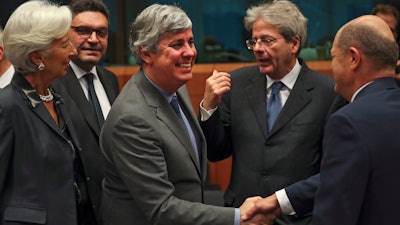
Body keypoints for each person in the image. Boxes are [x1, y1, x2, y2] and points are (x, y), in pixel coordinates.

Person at [100, 4, 270, 225]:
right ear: (146, 53)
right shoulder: (132, 119)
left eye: (190, 41)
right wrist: (238, 217)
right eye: (177, 44)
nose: (190, 52)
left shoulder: (176, 86)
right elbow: (161, 208)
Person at [243, 15, 400, 225]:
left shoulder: (349, 122)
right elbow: (351, 174)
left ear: (353, 58)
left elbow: (334, 213)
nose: (331, 66)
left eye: (334, 57)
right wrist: (281, 200)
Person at [199, 1, 345, 224]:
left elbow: (336, 169)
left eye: (267, 40)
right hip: (243, 216)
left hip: (298, 219)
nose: (257, 48)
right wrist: (209, 107)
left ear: (294, 43)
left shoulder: (327, 92)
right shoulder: (236, 84)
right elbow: (217, 152)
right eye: (254, 41)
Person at [0, 1, 97, 225]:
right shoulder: (7, 106)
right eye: (65, 45)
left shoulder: (56, 98)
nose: (73, 51)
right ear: (37, 57)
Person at [51, 0, 119, 223]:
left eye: (101, 32)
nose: (93, 39)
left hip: (111, 207)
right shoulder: (53, 82)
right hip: (73, 211)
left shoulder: (110, 80)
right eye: (83, 31)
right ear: (64, 34)